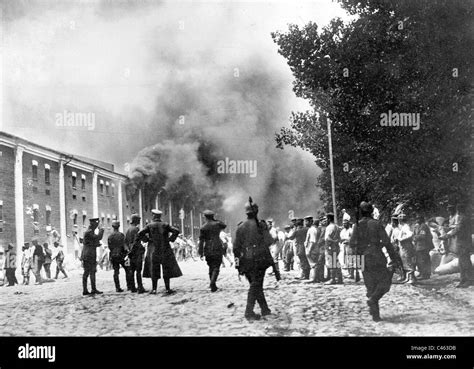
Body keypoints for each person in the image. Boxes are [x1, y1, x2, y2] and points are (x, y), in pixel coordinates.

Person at [349, 202, 403, 321]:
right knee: (385, 283)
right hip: (376, 256)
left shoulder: (356, 226)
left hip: (363, 258)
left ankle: (376, 316)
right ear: (371, 211)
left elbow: (352, 243)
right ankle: (373, 302)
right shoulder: (377, 224)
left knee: (370, 286)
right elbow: (387, 242)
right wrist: (394, 258)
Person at [233, 200, 275, 321]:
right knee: (256, 285)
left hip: (246, 260)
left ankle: (265, 309)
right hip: (260, 259)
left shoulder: (240, 227)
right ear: (256, 211)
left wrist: (237, 265)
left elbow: (236, 248)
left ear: (246, 213)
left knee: (255, 284)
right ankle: (249, 311)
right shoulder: (261, 225)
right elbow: (269, 241)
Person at [138, 209, 182, 295]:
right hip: (165, 249)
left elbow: (140, 233)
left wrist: (147, 240)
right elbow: (176, 230)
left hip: (153, 250)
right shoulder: (165, 225)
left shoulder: (149, 225)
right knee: (166, 269)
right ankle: (167, 289)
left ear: (153, 216)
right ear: (160, 216)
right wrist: (170, 239)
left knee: (154, 269)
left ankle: (154, 289)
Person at [440, 204, 473, 288]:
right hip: (462, 243)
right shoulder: (464, 218)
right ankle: (464, 280)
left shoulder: (463, 218)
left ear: (459, 210)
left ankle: (469, 280)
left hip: (463, 243)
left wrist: (446, 236)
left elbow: (457, 229)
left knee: (465, 262)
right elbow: (456, 228)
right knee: (462, 262)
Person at [198, 210, 227, 292]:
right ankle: (212, 282)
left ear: (205, 217)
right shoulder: (217, 224)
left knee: (210, 266)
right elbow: (224, 225)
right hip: (217, 246)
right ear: (213, 216)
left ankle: (213, 285)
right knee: (216, 266)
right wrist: (215, 220)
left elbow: (201, 241)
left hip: (207, 248)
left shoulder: (203, 227)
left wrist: (200, 252)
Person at [81, 218, 105, 295]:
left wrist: (96, 244)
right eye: (96, 225)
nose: (97, 226)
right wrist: (101, 230)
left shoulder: (90, 232)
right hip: (88, 256)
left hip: (89, 255)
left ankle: (92, 289)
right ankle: (85, 290)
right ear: (93, 225)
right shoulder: (89, 232)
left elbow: (92, 242)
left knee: (92, 272)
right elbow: (98, 237)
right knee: (87, 272)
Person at [108, 221, 133, 292]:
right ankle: (129, 286)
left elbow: (110, 246)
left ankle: (117, 287)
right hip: (122, 255)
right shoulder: (121, 235)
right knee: (128, 270)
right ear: (118, 226)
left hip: (113, 255)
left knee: (116, 271)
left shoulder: (110, 236)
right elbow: (124, 245)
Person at [125, 214, 146, 293]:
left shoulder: (128, 230)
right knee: (138, 270)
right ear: (135, 220)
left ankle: (132, 287)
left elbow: (125, 242)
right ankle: (140, 287)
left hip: (130, 252)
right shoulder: (136, 229)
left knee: (131, 270)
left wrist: (128, 251)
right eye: (138, 220)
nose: (139, 222)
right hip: (136, 252)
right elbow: (139, 240)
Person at [412, 214, 433, 280]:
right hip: (418, 246)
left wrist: (415, 237)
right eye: (416, 218)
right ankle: (421, 273)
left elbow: (423, 236)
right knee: (419, 261)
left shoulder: (423, 226)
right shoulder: (418, 226)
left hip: (424, 246)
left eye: (418, 219)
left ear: (421, 219)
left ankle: (425, 274)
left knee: (423, 260)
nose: (417, 220)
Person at [397, 213, 416, 284]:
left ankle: (412, 278)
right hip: (403, 247)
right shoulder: (403, 227)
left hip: (406, 246)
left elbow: (410, 234)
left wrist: (402, 239)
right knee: (405, 261)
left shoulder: (406, 227)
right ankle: (408, 277)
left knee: (408, 261)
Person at [325, 213, 342, 284]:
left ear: (329, 219)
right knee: (336, 262)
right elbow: (339, 237)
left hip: (331, 246)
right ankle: (340, 278)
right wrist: (336, 241)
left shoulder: (329, 227)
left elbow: (327, 238)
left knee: (331, 262)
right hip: (336, 246)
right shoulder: (337, 226)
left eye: (326, 219)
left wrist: (333, 241)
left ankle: (333, 279)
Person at [304, 216, 320, 283]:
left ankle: (313, 279)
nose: (305, 223)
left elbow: (312, 241)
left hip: (312, 249)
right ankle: (315, 278)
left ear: (311, 221)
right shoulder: (313, 229)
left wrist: (309, 250)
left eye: (307, 221)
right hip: (315, 248)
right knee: (314, 264)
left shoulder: (312, 230)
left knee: (313, 264)